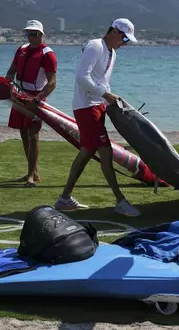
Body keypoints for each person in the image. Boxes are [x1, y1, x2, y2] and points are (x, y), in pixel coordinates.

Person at [54, 18, 141, 217]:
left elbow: (103, 82)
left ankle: (64, 198)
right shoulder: (95, 46)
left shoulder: (112, 53)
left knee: (86, 152)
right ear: (115, 32)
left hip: (96, 106)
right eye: (125, 39)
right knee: (105, 152)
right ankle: (120, 201)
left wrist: (111, 99)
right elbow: (82, 77)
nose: (125, 43)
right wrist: (105, 95)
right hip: (86, 106)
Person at [5, 20, 57, 187]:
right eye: (28, 33)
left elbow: (52, 83)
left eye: (34, 34)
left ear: (41, 34)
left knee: (33, 135)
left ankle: (31, 175)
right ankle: (33, 172)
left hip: (35, 97)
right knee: (23, 132)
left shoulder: (48, 54)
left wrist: (39, 97)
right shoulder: (21, 50)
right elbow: (12, 69)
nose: (30, 37)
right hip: (19, 95)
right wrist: (8, 81)